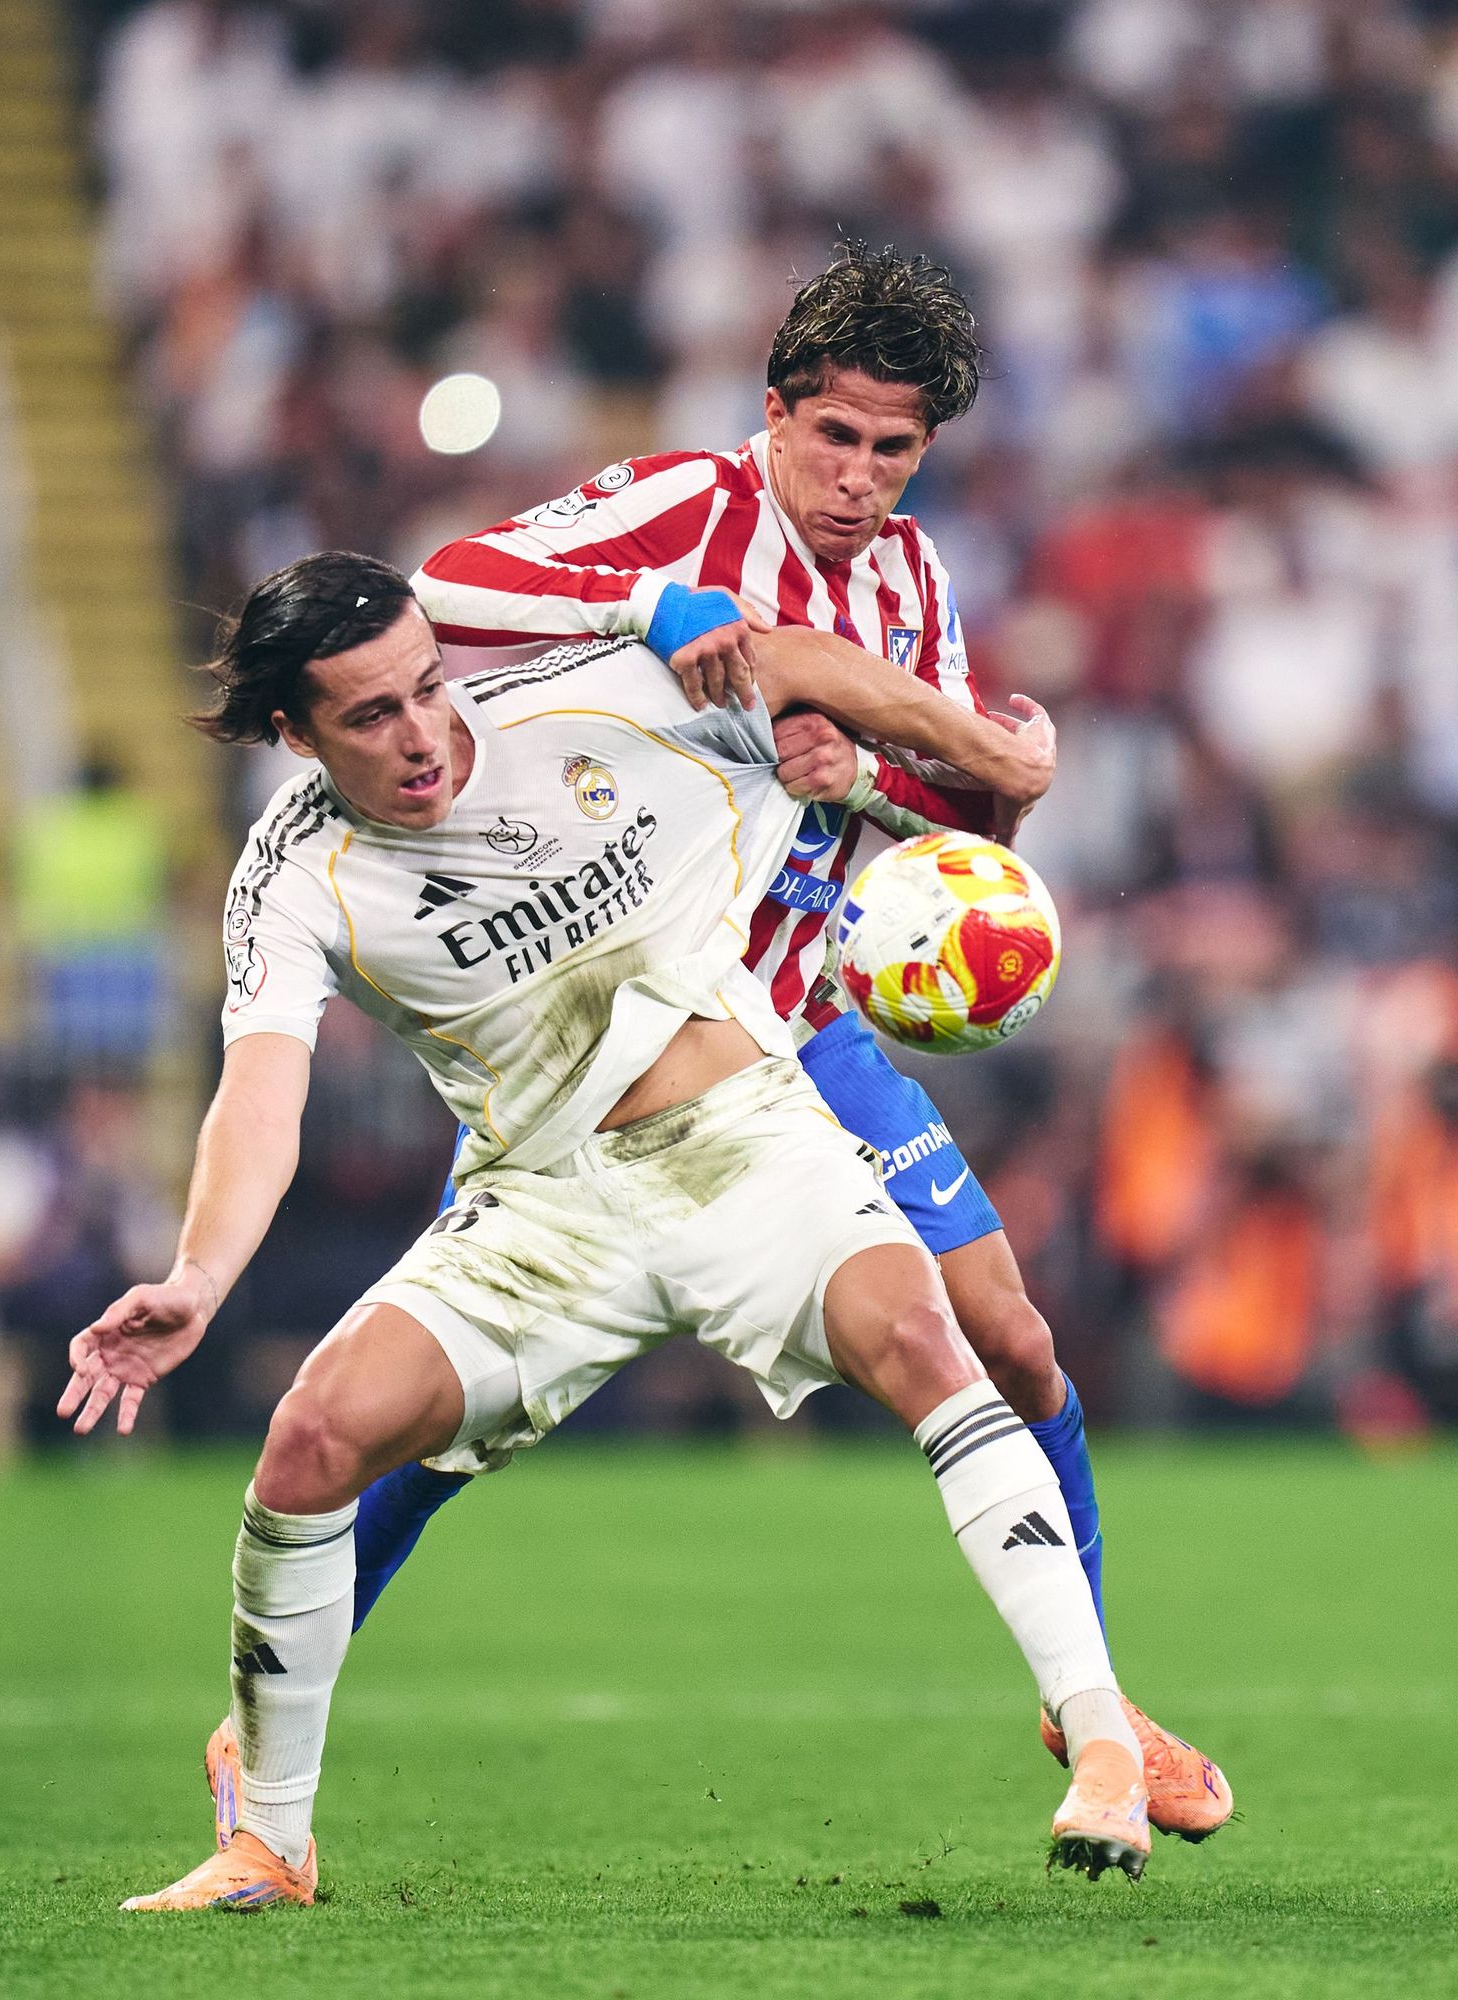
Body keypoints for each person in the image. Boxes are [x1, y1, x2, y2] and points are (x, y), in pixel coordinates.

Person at [62, 551, 1153, 1908]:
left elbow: (800, 660)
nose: (423, 734)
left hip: (749, 1145)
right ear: (293, 735)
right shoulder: (292, 873)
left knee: (936, 1346)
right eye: (370, 717)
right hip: (548, 1204)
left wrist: (981, 749)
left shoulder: (584, 697)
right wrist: (200, 1274)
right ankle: (269, 1842)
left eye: (426, 687)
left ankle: (1103, 1745)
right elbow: (261, 1094)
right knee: (310, 1439)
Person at [354, 242, 1231, 1840]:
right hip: (628, 1032)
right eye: (835, 438)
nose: (858, 478)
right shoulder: (685, 506)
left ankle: (1087, 1699)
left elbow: (949, 808)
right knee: (447, 1412)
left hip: (809, 1022)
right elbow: (439, 593)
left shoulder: (908, 580)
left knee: (1014, 1341)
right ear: (776, 414)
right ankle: (273, 1704)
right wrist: (660, 609)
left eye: (895, 451)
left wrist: (895, 781)